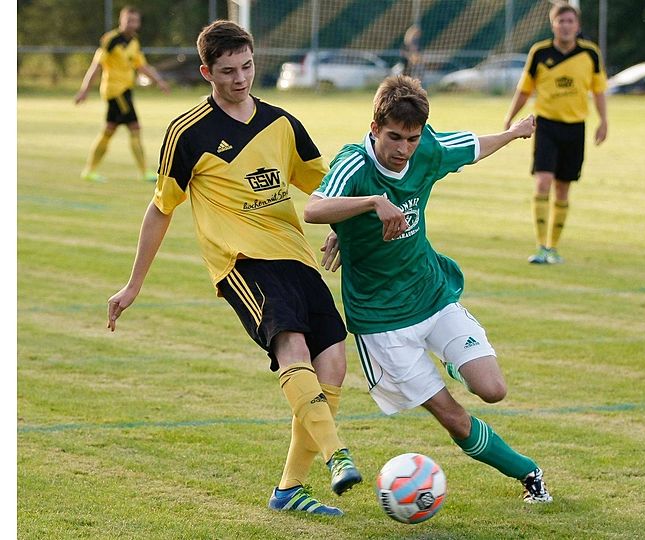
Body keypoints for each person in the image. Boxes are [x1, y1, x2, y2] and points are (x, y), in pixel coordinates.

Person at [105, 20, 361, 517]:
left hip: (295, 255)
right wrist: (134, 284)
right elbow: (161, 208)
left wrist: (344, 227)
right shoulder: (187, 132)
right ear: (207, 72)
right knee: (291, 344)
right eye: (227, 71)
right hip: (241, 262)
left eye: (246, 66)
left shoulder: (282, 123)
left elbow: (327, 188)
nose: (240, 78)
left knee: (332, 364)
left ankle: (288, 490)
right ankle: (338, 455)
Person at [303, 75, 553, 504]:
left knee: (492, 389)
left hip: (432, 296)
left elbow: (473, 147)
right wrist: (372, 203)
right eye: (394, 137)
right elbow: (313, 208)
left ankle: (454, 363)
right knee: (452, 417)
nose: (404, 149)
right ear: (375, 128)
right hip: (382, 321)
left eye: (412, 139)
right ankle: (529, 473)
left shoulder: (429, 149)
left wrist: (513, 133)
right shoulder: (354, 163)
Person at [503, 2, 608, 264]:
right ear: (553, 25)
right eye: (561, 21)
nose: (565, 26)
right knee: (543, 182)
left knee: (563, 188)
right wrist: (510, 117)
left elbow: (598, 91)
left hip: (576, 127)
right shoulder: (540, 53)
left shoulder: (590, 54)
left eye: (570, 21)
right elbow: (525, 89)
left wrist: (604, 121)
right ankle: (541, 246)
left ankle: (553, 247)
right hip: (547, 126)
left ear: (577, 25)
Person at [75, 5, 170, 183]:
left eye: (135, 21)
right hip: (115, 91)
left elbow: (142, 66)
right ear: (121, 21)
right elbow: (96, 66)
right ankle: (145, 172)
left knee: (109, 130)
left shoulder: (134, 42)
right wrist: (84, 90)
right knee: (135, 127)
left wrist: (159, 81)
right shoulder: (111, 40)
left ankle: (89, 171)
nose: (132, 24)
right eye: (129, 20)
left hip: (125, 91)